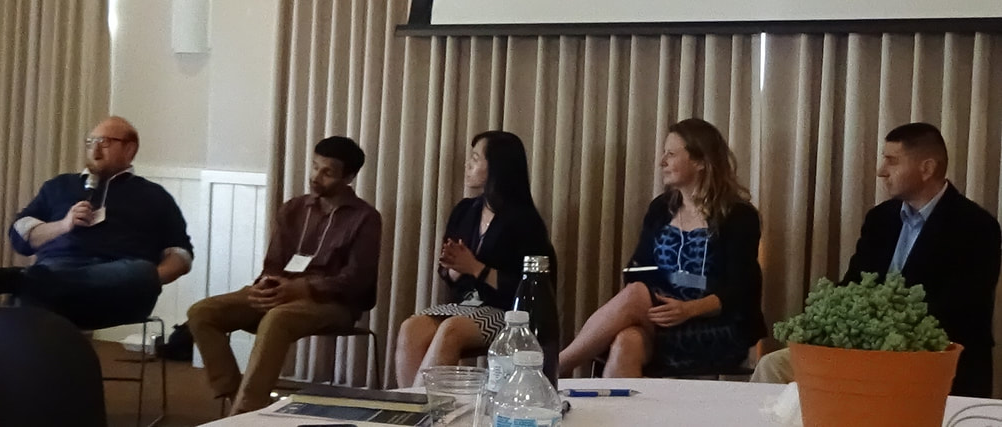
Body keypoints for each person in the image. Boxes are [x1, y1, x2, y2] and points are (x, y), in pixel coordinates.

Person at [752, 122, 1001, 398]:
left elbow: (962, 310)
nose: (882, 171)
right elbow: (853, 283)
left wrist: (883, 329)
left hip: (929, 358)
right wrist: (827, 319)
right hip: (862, 347)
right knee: (772, 366)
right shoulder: (880, 218)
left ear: (927, 168)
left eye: (892, 161)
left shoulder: (976, 226)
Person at [187, 136, 381, 416]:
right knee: (202, 312)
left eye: (327, 172)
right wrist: (264, 286)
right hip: (281, 292)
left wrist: (302, 289)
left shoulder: (365, 218)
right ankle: (238, 400)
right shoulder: (294, 209)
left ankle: (245, 410)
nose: (316, 177)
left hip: (334, 304)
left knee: (277, 318)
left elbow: (356, 281)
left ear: (349, 177)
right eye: (315, 167)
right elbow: (274, 263)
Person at [559, 118, 765, 377]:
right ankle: (604, 400)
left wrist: (687, 309)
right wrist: (658, 302)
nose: (661, 162)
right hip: (663, 319)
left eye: (671, 154)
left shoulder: (739, 216)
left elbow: (741, 289)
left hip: (716, 326)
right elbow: (638, 269)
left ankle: (555, 367)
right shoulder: (661, 208)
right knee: (626, 340)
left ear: (701, 162)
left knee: (634, 297)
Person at [0, 116, 194, 330]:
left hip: (120, 289)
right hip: (58, 274)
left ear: (130, 149)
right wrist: (63, 225)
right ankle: (37, 283)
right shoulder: (59, 186)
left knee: (141, 270)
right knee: (33, 298)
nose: (95, 150)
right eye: (90, 142)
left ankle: (27, 280)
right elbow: (20, 235)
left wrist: (153, 278)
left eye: (104, 143)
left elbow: (181, 254)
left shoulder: (154, 195)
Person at [395, 130, 557, 387]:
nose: (467, 165)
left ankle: (428, 405)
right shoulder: (465, 210)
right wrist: (453, 270)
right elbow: (447, 269)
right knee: (411, 327)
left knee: (452, 329)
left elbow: (532, 287)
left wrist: (477, 269)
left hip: (508, 312)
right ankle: (410, 403)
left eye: (475, 158)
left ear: (497, 168)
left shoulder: (525, 221)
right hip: (466, 305)